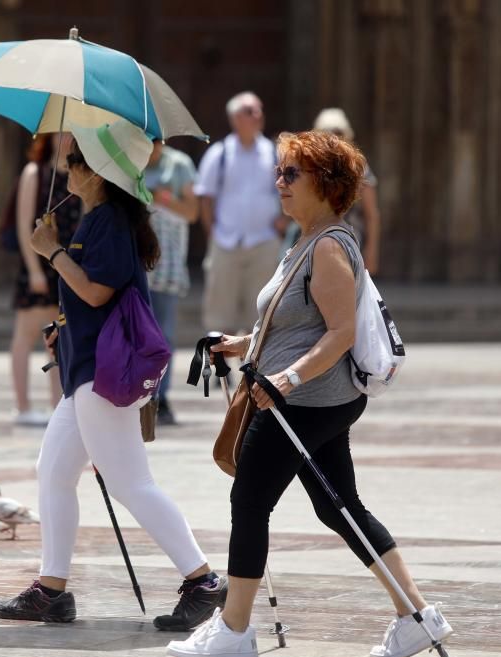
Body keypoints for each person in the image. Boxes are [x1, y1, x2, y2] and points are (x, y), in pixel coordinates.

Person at [167, 131, 453, 657]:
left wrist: (287, 380)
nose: (279, 182)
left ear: (325, 182)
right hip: (311, 398)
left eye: (290, 173)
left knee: (248, 501)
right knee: (338, 506)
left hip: (304, 401)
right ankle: (417, 616)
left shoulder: (328, 246)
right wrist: (239, 343)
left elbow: (339, 332)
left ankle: (232, 631)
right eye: (279, 172)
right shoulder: (305, 241)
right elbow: (292, 326)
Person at [0, 119, 226, 631]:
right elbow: (92, 299)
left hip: (105, 374)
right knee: (52, 473)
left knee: (131, 483)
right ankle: (51, 589)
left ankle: (203, 579)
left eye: (72, 159)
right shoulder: (97, 217)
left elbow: (98, 291)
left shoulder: (111, 221)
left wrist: (50, 250)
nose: (64, 166)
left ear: (95, 173)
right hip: (85, 370)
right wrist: (61, 324)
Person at [194, 92, 285, 334]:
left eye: (259, 110)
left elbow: (289, 189)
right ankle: (222, 372)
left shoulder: (274, 153)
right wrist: (212, 232)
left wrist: (284, 220)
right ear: (234, 118)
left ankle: (252, 371)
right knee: (220, 318)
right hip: (225, 243)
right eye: (249, 111)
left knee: (261, 316)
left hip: (264, 243)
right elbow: (205, 196)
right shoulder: (219, 153)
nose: (257, 116)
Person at [9, 134, 82, 426]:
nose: (66, 139)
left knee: (60, 340)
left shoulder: (80, 174)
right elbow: (23, 224)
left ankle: (58, 403)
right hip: (38, 266)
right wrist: (35, 270)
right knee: (26, 334)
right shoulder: (35, 173)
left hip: (66, 265)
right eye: (61, 133)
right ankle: (23, 405)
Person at [144, 139, 199, 425]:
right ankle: (138, 395)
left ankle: (160, 397)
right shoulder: (128, 161)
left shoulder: (179, 164)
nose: (152, 147)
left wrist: (160, 197)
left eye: (156, 141)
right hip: (137, 263)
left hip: (166, 265)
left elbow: (192, 212)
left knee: (164, 334)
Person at [307, 108, 382, 275]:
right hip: (314, 240)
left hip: (350, 241)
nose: (333, 137)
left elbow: (371, 214)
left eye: (337, 132)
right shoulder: (311, 167)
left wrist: (372, 251)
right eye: (327, 132)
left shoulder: (358, 168)